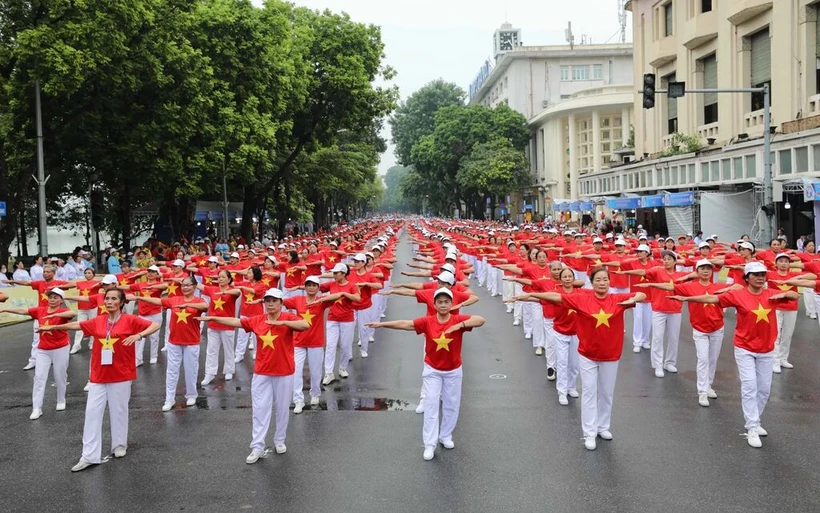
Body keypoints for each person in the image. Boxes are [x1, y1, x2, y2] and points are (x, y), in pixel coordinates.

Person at [670, 262, 798, 448]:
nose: (760, 277)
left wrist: (786, 293)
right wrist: (687, 299)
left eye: (763, 274)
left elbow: (795, 295)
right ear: (747, 278)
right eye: (755, 275)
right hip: (744, 347)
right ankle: (752, 427)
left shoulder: (771, 294)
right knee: (749, 385)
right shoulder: (737, 294)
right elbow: (713, 299)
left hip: (766, 349)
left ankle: (756, 419)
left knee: (764, 390)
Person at [38, 289, 160, 472]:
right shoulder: (99, 321)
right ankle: (89, 455)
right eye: (107, 298)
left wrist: (139, 335)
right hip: (98, 375)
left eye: (113, 299)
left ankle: (119, 445)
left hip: (121, 374)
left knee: (119, 411)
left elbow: (154, 325)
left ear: (121, 302)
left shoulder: (130, 320)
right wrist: (55, 327)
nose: (109, 302)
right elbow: (79, 325)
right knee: (92, 413)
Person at [531, 267, 646, 450]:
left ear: (609, 281)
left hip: (611, 354)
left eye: (605, 280)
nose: (602, 283)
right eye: (598, 280)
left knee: (606, 393)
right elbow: (557, 297)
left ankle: (603, 427)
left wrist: (632, 300)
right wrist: (534, 295)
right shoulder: (581, 298)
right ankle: (589, 433)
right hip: (587, 354)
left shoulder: (617, 298)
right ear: (591, 283)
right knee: (590, 392)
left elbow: (641, 294)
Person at [368, 288, 486, 461]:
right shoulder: (428, 321)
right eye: (440, 302)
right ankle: (430, 444)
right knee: (431, 404)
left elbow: (480, 320)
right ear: (434, 304)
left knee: (451, 405)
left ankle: (445, 436)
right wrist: (382, 324)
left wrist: (460, 325)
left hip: (453, 370)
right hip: (433, 370)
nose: (443, 305)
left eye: (447, 302)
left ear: (451, 304)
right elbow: (405, 323)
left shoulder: (458, 319)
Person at [197, 288, 309, 463]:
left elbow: (305, 325)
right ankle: (257, 446)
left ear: (281, 303)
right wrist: (213, 318)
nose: (270, 303)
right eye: (267, 300)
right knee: (259, 409)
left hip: (284, 371)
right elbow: (236, 321)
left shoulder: (288, 318)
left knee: (282, 408)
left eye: (274, 300)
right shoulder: (258, 320)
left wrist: (282, 324)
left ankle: (279, 440)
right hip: (262, 372)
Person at [641, 260, 727, 406]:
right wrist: (651, 284)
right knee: (703, 359)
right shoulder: (689, 287)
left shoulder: (719, 286)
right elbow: (670, 286)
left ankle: (708, 385)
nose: (706, 271)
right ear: (697, 272)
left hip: (717, 328)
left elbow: (738, 287)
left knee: (712, 360)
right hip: (700, 329)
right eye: (702, 269)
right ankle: (702, 392)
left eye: (708, 269)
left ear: (712, 271)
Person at [131, 276, 207, 411]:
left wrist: (187, 305)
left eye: (188, 285)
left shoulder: (198, 300)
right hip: (174, 341)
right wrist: (140, 298)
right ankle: (169, 398)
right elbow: (158, 301)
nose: (185, 287)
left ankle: (191, 395)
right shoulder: (174, 300)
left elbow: (205, 306)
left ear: (194, 287)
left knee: (191, 370)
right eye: (183, 285)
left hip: (191, 342)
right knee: (172, 370)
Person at [0, 288, 76, 420]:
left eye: (56, 297)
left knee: (60, 375)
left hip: (61, 348)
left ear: (61, 300)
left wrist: (54, 315)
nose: (52, 299)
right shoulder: (40, 310)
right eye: (50, 297)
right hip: (43, 350)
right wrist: (6, 309)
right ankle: (37, 407)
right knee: (39, 377)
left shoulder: (63, 311)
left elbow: (72, 313)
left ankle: (60, 400)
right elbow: (23, 311)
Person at [284, 276, 341, 413]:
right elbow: (281, 302)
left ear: (318, 288)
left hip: (316, 342)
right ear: (305, 286)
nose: (311, 287)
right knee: (296, 371)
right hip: (298, 341)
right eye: (308, 285)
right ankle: (298, 400)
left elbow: (337, 296)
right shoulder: (298, 300)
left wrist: (322, 298)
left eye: (314, 285)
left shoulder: (321, 302)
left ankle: (315, 394)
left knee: (315, 372)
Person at [3, 265, 73, 370]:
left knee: (56, 337)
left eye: (48, 272)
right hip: (40, 315)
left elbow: (73, 284)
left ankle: (54, 358)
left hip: (56, 315)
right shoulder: (40, 283)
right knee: (37, 339)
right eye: (44, 271)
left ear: (53, 273)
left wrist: (59, 287)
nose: (45, 273)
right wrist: (12, 281)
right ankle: (33, 361)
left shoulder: (58, 283)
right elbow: (27, 283)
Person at [318, 263, 360, 384]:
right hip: (332, 318)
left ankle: (342, 368)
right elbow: (317, 288)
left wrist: (344, 294)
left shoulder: (352, 286)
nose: (334, 275)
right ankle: (329, 372)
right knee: (330, 345)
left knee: (345, 345)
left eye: (336, 273)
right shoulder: (331, 284)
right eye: (334, 273)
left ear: (343, 273)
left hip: (347, 319)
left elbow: (357, 298)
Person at [198, 269, 241, 385]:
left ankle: (229, 370)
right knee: (211, 350)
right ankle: (209, 374)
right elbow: (200, 286)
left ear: (229, 279)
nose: (221, 279)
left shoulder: (232, 292)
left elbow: (238, 292)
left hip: (227, 325)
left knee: (228, 350)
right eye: (219, 277)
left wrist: (225, 293)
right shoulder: (212, 289)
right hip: (213, 325)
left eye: (223, 277)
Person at [69, 268, 103, 354]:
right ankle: (76, 345)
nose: (87, 274)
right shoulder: (81, 283)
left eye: (89, 273)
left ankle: (92, 343)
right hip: (82, 308)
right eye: (86, 273)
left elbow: (107, 282)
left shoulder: (97, 283)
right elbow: (68, 285)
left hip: (93, 307)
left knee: (93, 326)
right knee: (79, 326)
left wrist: (99, 279)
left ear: (93, 274)